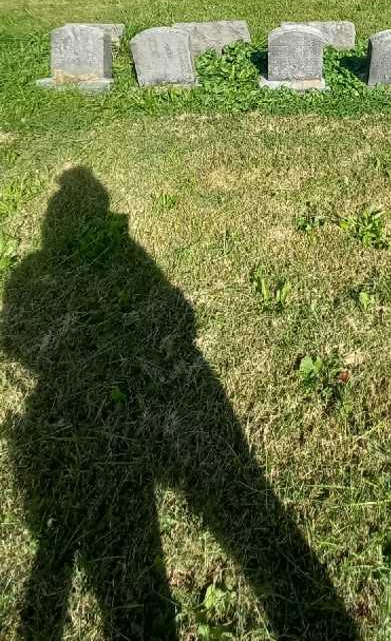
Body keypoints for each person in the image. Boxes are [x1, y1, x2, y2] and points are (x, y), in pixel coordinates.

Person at [2, 167, 357, 639]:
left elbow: (18, 336)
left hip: (105, 395)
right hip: (147, 384)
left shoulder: (35, 274)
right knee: (241, 502)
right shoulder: (57, 270)